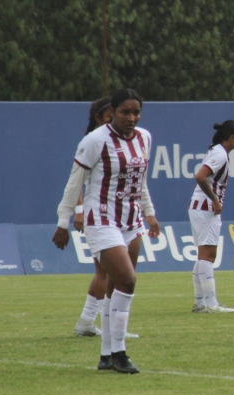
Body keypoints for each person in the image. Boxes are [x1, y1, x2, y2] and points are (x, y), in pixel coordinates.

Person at [53, 88, 160, 374]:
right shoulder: (95, 141)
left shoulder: (145, 138)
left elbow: (140, 181)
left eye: (136, 112)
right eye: (125, 112)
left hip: (131, 220)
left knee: (115, 289)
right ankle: (120, 352)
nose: (131, 117)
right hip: (101, 219)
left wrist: (149, 213)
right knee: (127, 280)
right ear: (112, 112)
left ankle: (105, 356)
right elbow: (74, 183)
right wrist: (64, 221)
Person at [73, 97, 137, 339]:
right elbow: (77, 182)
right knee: (105, 273)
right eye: (111, 116)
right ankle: (109, 327)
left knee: (107, 273)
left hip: (118, 215)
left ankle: (87, 321)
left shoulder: (123, 140)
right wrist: (79, 212)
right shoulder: (93, 141)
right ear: (99, 118)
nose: (117, 120)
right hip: (98, 215)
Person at [189, 120, 234, 314]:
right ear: (231, 138)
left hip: (198, 207)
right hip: (205, 208)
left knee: (202, 255)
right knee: (208, 255)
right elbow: (200, 176)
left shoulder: (219, 152)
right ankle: (211, 304)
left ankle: (200, 303)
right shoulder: (220, 154)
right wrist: (214, 199)